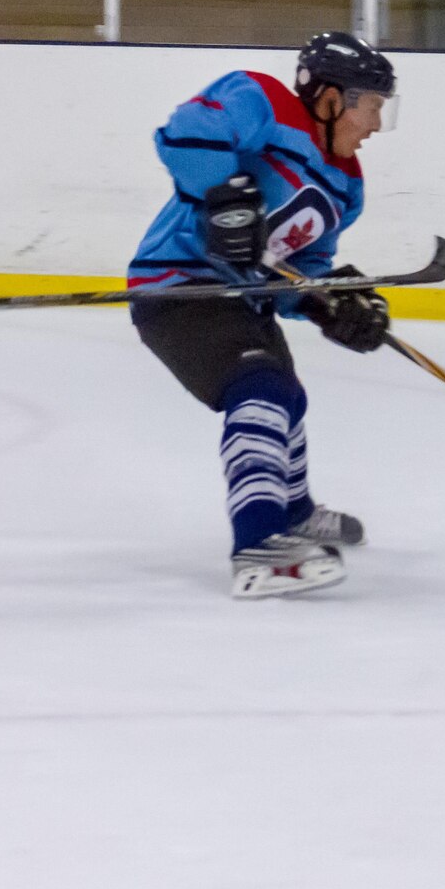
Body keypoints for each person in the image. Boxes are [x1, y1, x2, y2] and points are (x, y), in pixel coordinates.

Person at [129, 31, 397, 600]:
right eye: (371, 106)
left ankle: (293, 509)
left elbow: (295, 271)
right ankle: (257, 546)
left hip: (242, 299)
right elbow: (184, 134)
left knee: (288, 398)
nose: (375, 125)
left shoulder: (346, 186)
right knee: (261, 392)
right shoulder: (263, 100)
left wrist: (328, 303)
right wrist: (226, 197)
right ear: (330, 99)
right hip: (181, 288)